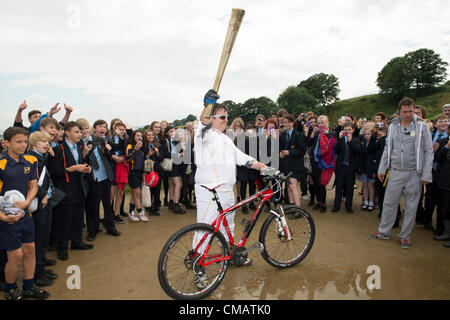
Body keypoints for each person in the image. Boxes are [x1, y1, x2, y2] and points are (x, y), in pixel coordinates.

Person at [193, 90, 268, 267]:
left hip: (227, 191)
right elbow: (203, 124)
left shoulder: (226, 139)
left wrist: (267, 168)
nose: (226, 120)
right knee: (205, 229)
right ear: (212, 118)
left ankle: (232, 256)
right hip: (209, 190)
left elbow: (243, 158)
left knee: (228, 226)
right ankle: (197, 265)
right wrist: (207, 106)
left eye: (227, 117)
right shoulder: (204, 134)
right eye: (222, 117)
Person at [370, 97, 434, 249]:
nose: (408, 114)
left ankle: (405, 236)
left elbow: (429, 151)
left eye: (411, 111)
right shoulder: (392, 127)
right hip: (396, 172)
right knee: (388, 203)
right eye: (405, 111)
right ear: (399, 111)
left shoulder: (422, 127)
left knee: (411, 206)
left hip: (414, 173)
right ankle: (384, 231)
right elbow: (387, 148)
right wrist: (382, 168)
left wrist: (426, 174)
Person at [0, 126, 49, 300]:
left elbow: (33, 185)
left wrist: (27, 203)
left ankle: (29, 285)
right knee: (15, 255)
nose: (22, 145)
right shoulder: (1, 164)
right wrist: (3, 216)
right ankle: (10, 288)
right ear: (6, 143)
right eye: (18, 142)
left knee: (30, 250)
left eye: (25, 142)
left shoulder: (30, 162)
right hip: (7, 219)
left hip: (26, 215)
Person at [47, 121, 93, 261]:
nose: (80, 134)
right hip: (65, 190)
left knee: (78, 217)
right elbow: (53, 171)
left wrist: (86, 168)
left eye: (80, 131)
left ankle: (76, 241)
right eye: (76, 131)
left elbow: (80, 163)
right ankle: (62, 248)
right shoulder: (58, 149)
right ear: (67, 133)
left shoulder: (79, 147)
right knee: (64, 220)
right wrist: (72, 169)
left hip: (78, 188)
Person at [26, 131, 58, 287]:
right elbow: (31, 181)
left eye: (48, 141)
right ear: (33, 144)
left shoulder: (41, 157)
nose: (47, 144)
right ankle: (36, 274)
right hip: (39, 202)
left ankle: (41, 266)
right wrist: (43, 194)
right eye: (42, 142)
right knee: (39, 237)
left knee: (45, 234)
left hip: (45, 200)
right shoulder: (31, 159)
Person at [84, 120, 122, 240]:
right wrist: (85, 151)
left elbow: (118, 147)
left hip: (105, 177)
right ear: (94, 128)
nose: (103, 129)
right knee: (93, 206)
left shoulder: (105, 140)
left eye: (105, 127)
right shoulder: (85, 141)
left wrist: (118, 137)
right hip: (93, 179)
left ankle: (110, 227)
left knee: (107, 204)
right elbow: (81, 158)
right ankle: (93, 230)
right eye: (100, 126)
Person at [308, 115, 336, 212]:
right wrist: (313, 133)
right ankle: (318, 201)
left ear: (327, 123)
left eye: (322, 123)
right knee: (315, 183)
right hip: (314, 161)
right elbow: (309, 144)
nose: (320, 125)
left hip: (323, 162)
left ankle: (323, 203)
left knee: (321, 183)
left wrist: (327, 134)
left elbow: (334, 144)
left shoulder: (332, 133)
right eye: (319, 123)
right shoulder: (316, 134)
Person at [331, 121, 361, 213]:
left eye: (349, 130)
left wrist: (350, 141)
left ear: (353, 130)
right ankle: (336, 205)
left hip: (351, 168)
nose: (347, 131)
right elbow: (335, 150)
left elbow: (357, 151)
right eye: (345, 130)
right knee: (339, 187)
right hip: (340, 167)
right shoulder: (340, 139)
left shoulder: (356, 140)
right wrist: (340, 139)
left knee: (350, 188)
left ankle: (348, 206)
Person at [279, 114, 306, 207]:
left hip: (295, 165)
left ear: (293, 123)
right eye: (284, 122)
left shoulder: (298, 135)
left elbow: (302, 151)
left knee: (293, 186)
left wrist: (289, 152)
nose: (286, 124)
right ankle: (291, 206)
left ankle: (298, 208)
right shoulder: (283, 135)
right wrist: (281, 153)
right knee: (289, 187)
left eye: (288, 122)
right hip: (286, 165)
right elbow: (281, 148)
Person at [125, 131, 148, 222]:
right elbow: (127, 159)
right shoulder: (130, 146)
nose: (139, 137)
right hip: (133, 173)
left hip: (140, 173)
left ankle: (131, 211)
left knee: (134, 194)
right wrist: (135, 149)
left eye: (141, 135)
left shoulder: (142, 148)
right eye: (137, 135)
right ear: (133, 136)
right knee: (137, 193)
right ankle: (140, 211)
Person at [434, 136, 450, 246]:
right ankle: (447, 233)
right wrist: (447, 147)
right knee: (444, 208)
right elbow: (438, 158)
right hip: (444, 181)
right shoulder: (444, 142)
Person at [359, 125, 378, 211]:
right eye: (365, 134)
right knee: (365, 185)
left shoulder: (374, 144)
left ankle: (371, 202)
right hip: (364, 166)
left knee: (371, 185)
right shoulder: (362, 142)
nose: (367, 136)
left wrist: (374, 170)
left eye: (369, 134)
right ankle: (365, 201)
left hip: (371, 167)